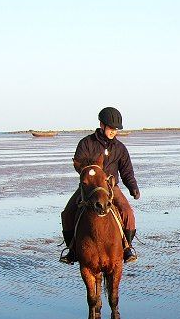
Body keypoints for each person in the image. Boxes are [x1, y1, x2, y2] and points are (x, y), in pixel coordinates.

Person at [60, 107, 140, 264]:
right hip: (89, 189)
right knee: (67, 213)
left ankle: (127, 248)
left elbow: (127, 172)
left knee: (127, 212)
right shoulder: (86, 143)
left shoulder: (120, 148)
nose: (113, 131)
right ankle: (72, 251)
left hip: (111, 188)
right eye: (111, 128)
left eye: (116, 129)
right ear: (101, 125)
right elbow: (79, 164)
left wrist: (133, 187)